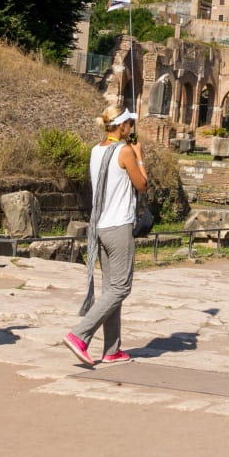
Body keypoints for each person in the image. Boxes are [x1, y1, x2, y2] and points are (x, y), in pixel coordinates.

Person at [63, 111, 147, 368]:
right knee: (121, 287)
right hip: (118, 226)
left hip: (100, 226)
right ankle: (80, 335)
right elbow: (142, 185)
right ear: (121, 126)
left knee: (111, 288)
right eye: (130, 123)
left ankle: (112, 349)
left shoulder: (95, 150)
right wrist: (140, 157)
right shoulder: (125, 152)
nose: (132, 126)